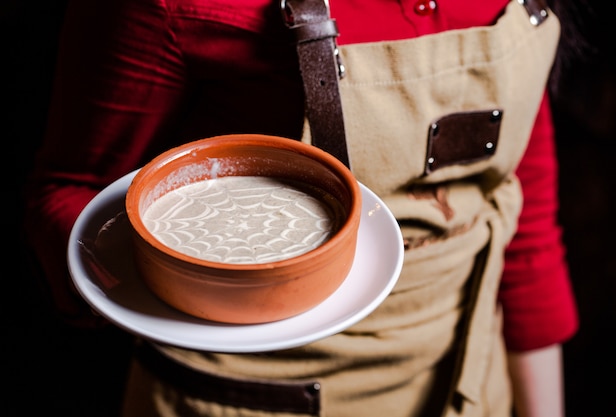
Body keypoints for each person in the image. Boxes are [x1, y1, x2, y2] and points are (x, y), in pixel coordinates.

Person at [22, 0, 579, 416]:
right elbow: (69, 192)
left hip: (469, 383)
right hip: (246, 397)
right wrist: (182, 281)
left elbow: (523, 224)